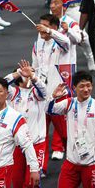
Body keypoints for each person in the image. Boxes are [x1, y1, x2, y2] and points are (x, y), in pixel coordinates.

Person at [5, 61, 47, 188]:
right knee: (16, 182)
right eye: (23, 72)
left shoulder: (37, 93)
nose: (27, 73)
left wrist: (33, 76)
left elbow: (44, 90)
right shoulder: (12, 93)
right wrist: (16, 74)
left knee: (32, 182)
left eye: (30, 71)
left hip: (36, 143)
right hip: (17, 145)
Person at [31, 14, 71, 165]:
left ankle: (75, 158)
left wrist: (50, 32)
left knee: (65, 133)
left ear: (54, 27)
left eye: (45, 25)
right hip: (42, 94)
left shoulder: (61, 42)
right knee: (41, 134)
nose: (40, 28)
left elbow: (66, 41)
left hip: (58, 93)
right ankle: (41, 167)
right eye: (40, 25)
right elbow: (34, 67)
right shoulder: (37, 44)